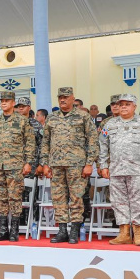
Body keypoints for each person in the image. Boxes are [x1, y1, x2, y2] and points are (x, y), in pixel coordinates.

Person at [98, 94, 140, 246]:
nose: (124, 107)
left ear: (134, 106)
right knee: (118, 202)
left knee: (138, 202)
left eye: (127, 104)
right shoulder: (110, 124)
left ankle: (138, 234)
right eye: (121, 104)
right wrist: (104, 166)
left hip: (137, 170)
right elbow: (103, 146)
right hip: (116, 170)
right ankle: (124, 233)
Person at [40, 87, 99, 244]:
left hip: (77, 165)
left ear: (73, 98)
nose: (62, 100)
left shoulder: (83, 116)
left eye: (66, 97)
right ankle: (62, 230)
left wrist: (89, 163)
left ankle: (74, 230)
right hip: (56, 164)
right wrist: (45, 163)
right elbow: (45, 142)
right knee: (58, 198)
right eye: (60, 97)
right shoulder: (52, 118)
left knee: (76, 197)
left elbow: (92, 140)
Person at [0, 91, 36, 242]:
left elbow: (30, 143)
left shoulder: (22, 121)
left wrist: (28, 162)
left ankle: (14, 230)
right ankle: (3, 230)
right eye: (2, 101)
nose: (3, 103)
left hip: (15, 165)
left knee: (15, 197)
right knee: (1, 198)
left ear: (13, 103)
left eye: (7, 101)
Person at [17, 97, 44, 175]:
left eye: (23, 106)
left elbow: (42, 145)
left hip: (32, 164)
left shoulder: (36, 124)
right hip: (15, 164)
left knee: (31, 186)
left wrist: (41, 164)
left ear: (29, 107)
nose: (21, 108)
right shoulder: (13, 124)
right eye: (19, 106)